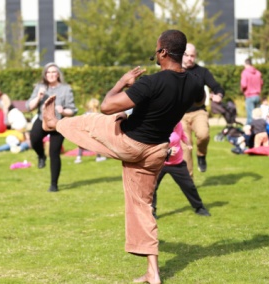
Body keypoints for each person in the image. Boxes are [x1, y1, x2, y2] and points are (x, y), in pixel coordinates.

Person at [41, 30, 204, 284]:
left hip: (129, 143)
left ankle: (53, 123)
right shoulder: (194, 82)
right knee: (143, 207)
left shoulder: (151, 82)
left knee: (92, 121)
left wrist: (122, 82)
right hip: (156, 151)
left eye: (156, 49)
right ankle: (153, 273)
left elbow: (107, 105)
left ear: (162, 52)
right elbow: (200, 98)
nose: (155, 53)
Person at [26, 62, 77, 192]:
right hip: (42, 120)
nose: (51, 74)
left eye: (54, 72)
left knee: (54, 153)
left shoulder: (66, 89)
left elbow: (72, 110)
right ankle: (41, 156)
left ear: (58, 74)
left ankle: (54, 185)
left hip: (58, 123)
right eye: (48, 72)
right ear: (45, 74)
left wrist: (63, 111)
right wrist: (38, 97)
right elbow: (29, 107)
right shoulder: (40, 87)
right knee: (34, 139)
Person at [181, 43, 225, 176]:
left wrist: (218, 95)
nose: (190, 58)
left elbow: (217, 87)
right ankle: (189, 182)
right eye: (187, 55)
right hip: (180, 115)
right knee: (186, 147)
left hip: (198, 112)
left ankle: (201, 155)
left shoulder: (202, 72)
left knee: (203, 134)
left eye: (192, 56)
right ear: (181, 55)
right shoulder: (175, 71)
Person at [152, 122, 210, 219]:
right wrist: (168, 151)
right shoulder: (159, 126)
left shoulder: (178, 124)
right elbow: (153, 145)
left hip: (177, 163)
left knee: (189, 186)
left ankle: (199, 208)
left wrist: (187, 143)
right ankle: (151, 212)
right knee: (151, 187)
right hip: (160, 163)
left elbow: (182, 134)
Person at [74, 98, 107, 163]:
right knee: (98, 144)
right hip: (94, 132)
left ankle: (78, 158)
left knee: (81, 144)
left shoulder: (86, 113)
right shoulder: (99, 114)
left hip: (85, 131)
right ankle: (98, 157)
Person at [241, 58, 263, 125]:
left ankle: (250, 132)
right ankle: (259, 128)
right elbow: (261, 83)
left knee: (250, 116)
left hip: (249, 95)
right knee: (258, 115)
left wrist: (242, 90)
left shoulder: (245, 72)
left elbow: (243, 84)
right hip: (257, 95)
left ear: (246, 64)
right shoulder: (258, 72)